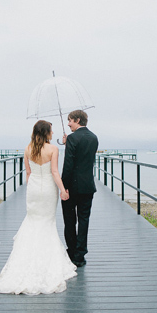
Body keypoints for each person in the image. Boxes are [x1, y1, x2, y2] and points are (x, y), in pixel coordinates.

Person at [0, 120, 77, 295]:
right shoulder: (53, 149)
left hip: (33, 190)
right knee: (47, 222)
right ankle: (47, 262)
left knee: (32, 221)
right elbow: (54, 172)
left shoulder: (28, 148)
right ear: (46, 132)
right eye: (51, 131)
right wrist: (63, 190)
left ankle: (23, 261)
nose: (53, 133)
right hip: (48, 191)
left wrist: (31, 189)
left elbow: (28, 173)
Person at [61, 110, 99, 267]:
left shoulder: (72, 138)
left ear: (77, 120)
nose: (68, 123)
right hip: (88, 186)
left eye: (70, 120)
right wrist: (67, 143)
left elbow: (69, 165)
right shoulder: (94, 137)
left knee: (70, 220)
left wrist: (64, 187)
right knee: (84, 220)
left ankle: (71, 252)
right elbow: (85, 159)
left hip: (72, 187)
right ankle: (80, 255)